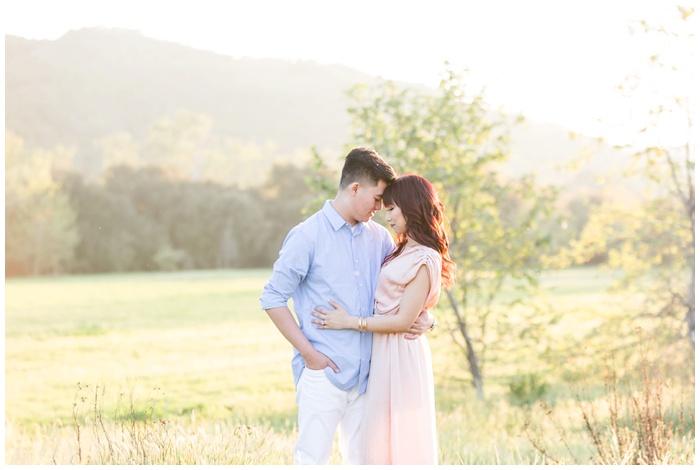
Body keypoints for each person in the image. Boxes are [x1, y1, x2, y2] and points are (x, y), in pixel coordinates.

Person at [259, 148, 436, 465]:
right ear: (355, 189)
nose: (381, 209)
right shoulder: (307, 236)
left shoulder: (380, 238)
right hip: (323, 374)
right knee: (312, 460)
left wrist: (428, 318)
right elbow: (272, 298)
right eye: (378, 198)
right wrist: (311, 356)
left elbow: (403, 289)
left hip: (370, 378)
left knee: (364, 462)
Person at [311, 174, 455, 465]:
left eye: (391, 208)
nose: (385, 215)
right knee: (377, 440)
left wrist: (350, 321)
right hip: (384, 351)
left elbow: (403, 321)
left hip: (401, 353)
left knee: (401, 437)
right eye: (385, 207)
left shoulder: (425, 257)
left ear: (411, 206)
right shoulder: (400, 248)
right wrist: (429, 317)